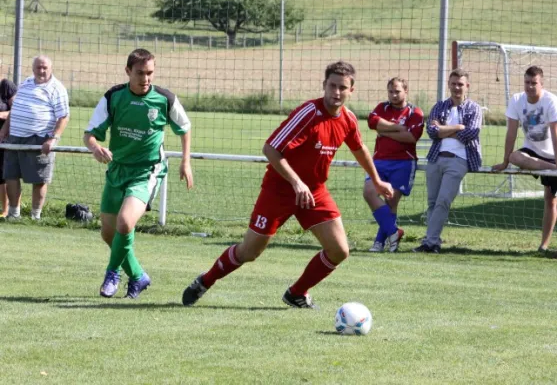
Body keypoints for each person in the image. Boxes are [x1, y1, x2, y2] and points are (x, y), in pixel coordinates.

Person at [182, 61, 393, 309]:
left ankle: (296, 293)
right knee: (249, 252)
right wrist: (296, 182)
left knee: (339, 250)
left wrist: (377, 180)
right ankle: (205, 281)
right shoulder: (308, 114)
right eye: (332, 86)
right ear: (324, 85)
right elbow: (270, 148)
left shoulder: (347, 119)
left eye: (342, 88)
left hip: (314, 192)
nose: (336, 92)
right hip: (279, 190)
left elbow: (359, 148)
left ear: (351, 90)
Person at [84, 48, 193, 299]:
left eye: (150, 73)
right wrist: (95, 147)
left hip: (147, 170)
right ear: (128, 71)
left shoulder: (164, 99)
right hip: (117, 169)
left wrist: (185, 162)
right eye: (140, 73)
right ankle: (138, 276)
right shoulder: (113, 97)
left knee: (125, 222)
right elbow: (89, 134)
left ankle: (112, 273)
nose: (146, 79)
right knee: (108, 234)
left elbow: (184, 128)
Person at [413, 68, 482, 253]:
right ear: (449, 85)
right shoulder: (439, 106)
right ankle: (432, 241)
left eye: (460, 84)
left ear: (467, 86)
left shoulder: (474, 108)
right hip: (436, 159)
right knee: (432, 202)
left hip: (459, 160)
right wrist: (457, 127)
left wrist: (444, 129)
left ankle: (429, 242)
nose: (457, 87)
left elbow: (470, 133)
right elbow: (432, 132)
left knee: (443, 201)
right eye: (453, 84)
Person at [492, 66, 557, 252]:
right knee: (515, 156)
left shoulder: (551, 101)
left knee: (550, 199)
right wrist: (505, 161)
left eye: (534, 83)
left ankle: (544, 245)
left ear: (541, 84)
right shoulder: (516, 100)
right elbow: (511, 132)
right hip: (533, 153)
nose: (530, 86)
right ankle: (551, 167)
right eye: (527, 82)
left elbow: (555, 133)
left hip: (553, 152)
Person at [0, 56, 69, 220]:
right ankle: (13, 214)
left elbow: (64, 116)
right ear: (33, 69)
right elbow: (15, 108)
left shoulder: (57, 88)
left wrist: (53, 138)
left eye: (45, 67)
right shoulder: (26, 83)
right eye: (38, 67)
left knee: (39, 179)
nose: (41, 71)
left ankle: (34, 216)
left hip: (39, 138)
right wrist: (4, 129)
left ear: (51, 68)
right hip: (15, 138)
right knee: (10, 176)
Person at [363, 77, 424, 252]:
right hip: (379, 161)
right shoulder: (382, 108)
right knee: (369, 193)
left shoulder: (415, 112)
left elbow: (411, 137)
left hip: (403, 162)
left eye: (397, 91)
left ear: (406, 91)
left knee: (391, 201)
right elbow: (372, 122)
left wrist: (385, 131)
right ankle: (394, 231)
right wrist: (397, 127)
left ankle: (379, 242)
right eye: (391, 91)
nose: (394, 95)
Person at [0, 78, 17, 217]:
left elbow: (16, 110)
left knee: (3, 175)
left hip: (3, 138)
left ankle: (6, 211)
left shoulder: (5, 86)